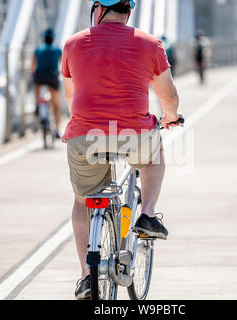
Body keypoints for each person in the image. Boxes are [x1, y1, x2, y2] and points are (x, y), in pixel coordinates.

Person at [61, 0, 181, 300]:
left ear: (98, 10)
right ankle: (148, 215)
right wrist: (170, 117)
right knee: (154, 155)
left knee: (83, 200)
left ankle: (87, 276)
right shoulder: (151, 44)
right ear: (129, 11)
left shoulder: (72, 44)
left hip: (85, 135)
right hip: (133, 132)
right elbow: (168, 96)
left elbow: (70, 94)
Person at [31, 29, 63, 139]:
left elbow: (32, 66)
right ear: (53, 39)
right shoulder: (57, 50)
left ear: (43, 39)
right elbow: (62, 64)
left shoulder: (38, 49)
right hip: (52, 77)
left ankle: (37, 108)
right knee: (56, 105)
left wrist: (33, 75)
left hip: (39, 76)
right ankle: (57, 130)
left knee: (37, 94)